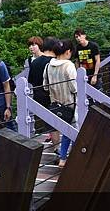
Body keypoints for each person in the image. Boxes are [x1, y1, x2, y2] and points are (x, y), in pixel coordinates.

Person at [43, 40, 77, 168]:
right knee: (72, 130)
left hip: (55, 105)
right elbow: (74, 87)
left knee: (66, 130)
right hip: (70, 104)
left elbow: (45, 86)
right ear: (68, 52)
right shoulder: (69, 65)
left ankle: (63, 158)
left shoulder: (48, 66)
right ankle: (67, 158)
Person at [28, 37, 57, 145]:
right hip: (53, 96)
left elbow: (30, 80)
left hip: (38, 96)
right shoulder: (54, 62)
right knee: (58, 123)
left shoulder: (34, 63)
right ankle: (58, 149)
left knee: (49, 122)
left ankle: (56, 146)